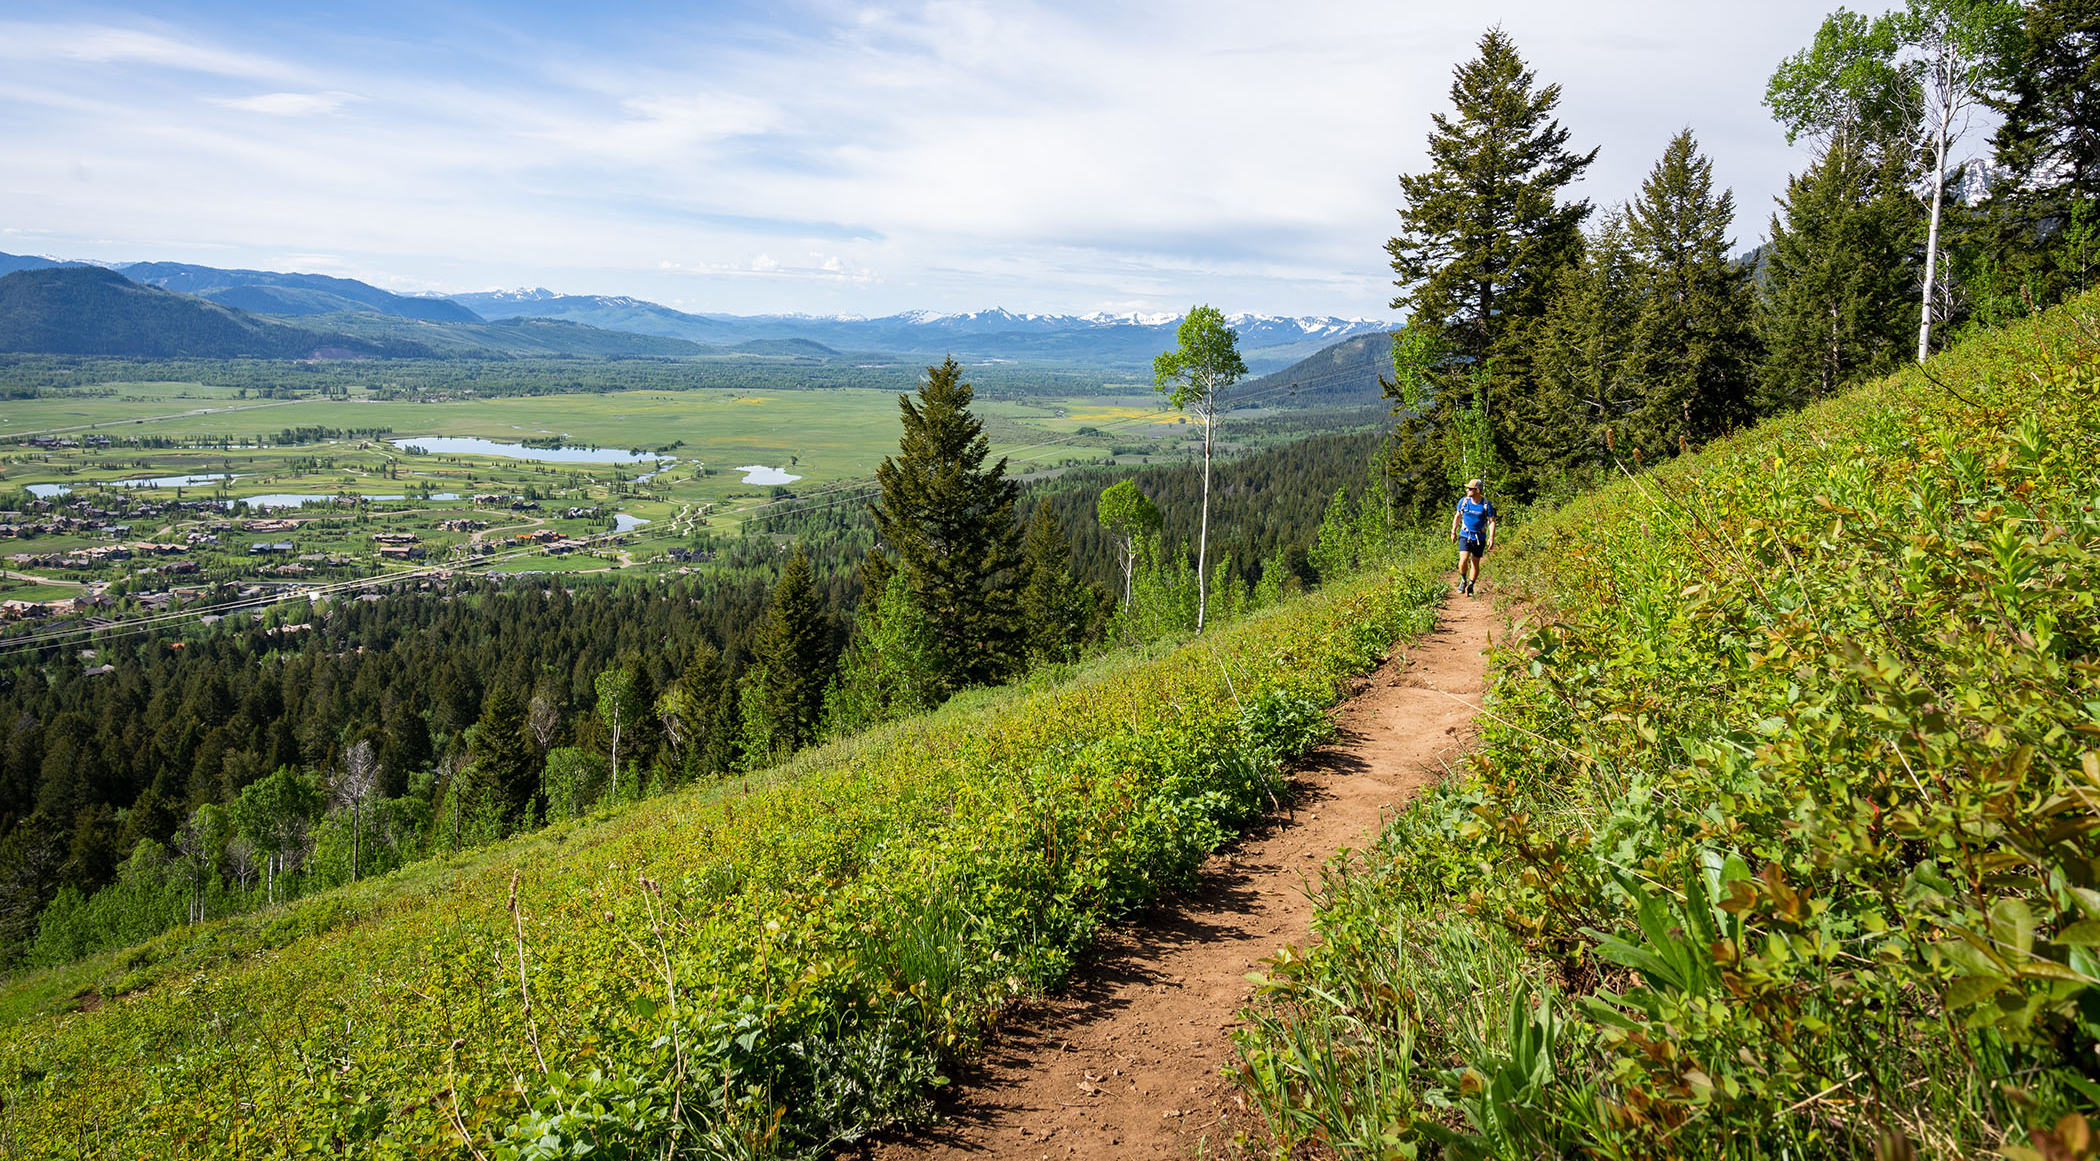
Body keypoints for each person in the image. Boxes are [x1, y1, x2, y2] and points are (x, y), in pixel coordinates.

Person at [1449, 478, 1496, 595]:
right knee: (1463, 559)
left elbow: (1491, 521)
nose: (1467, 490)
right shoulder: (1464, 501)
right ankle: (1463, 580)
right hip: (1465, 534)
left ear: (1477, 490)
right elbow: (1458, 516)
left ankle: (1471, 585)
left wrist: (1491, 537)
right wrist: (1453, 531)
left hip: (1479, 537)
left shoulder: (1486, 504)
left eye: (1470, 488)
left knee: (1475, 562)